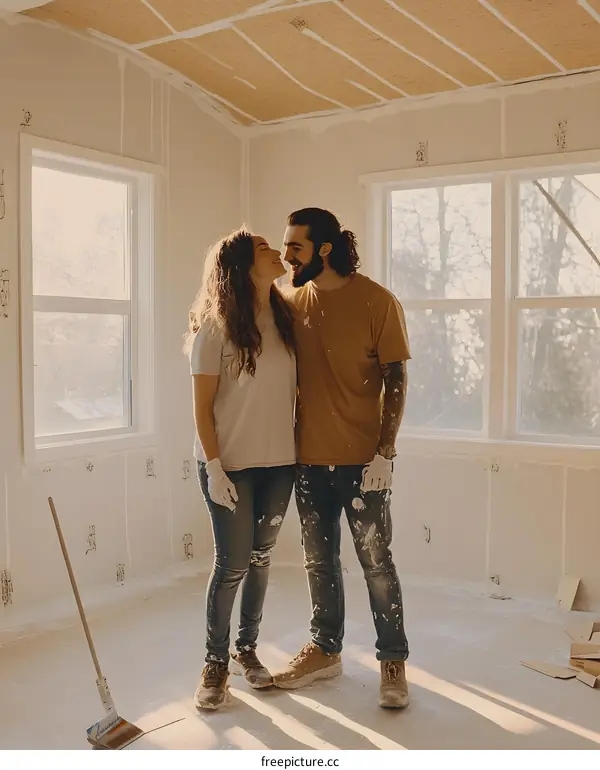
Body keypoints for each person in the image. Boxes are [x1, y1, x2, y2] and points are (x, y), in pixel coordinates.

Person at [273, 207, 411, 709]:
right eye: (285, 247)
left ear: (324, 249)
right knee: (318, 562)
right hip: (308, 460)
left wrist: (385, 453)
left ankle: (392, 660)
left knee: (376, 562)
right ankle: (325, 649)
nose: (287, 256)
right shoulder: (291, 301)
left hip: (362, 463)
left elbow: (396, 379)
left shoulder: (377, 302)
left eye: (295, 247)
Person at [185, 226, 297, 710]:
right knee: (230, 564)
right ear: (243, 268)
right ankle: (215, 663)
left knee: (260, 558)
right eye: (265, 249)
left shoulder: (288, 318)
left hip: (279, 464)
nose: (277, 253)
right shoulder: (213, 329)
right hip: (228, 465)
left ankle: (246, 651)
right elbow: (202, 408)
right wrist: (214, 468)